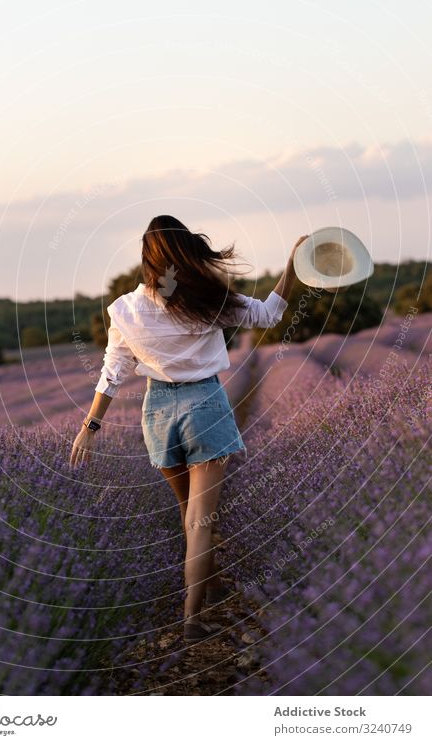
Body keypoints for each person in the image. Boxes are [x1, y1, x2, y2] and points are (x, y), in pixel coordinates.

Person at [70, 215, 308, 642]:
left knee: (188, 513)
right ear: (186, 252)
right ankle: (192, 617)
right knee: (200, 521)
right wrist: (292, 266)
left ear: (147, 258)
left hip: (157, 412)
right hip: (205, 405)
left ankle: (210, 583)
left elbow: (113, 371)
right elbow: (270, 315)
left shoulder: (125, 309)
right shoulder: (208, 300)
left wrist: (90, 425)